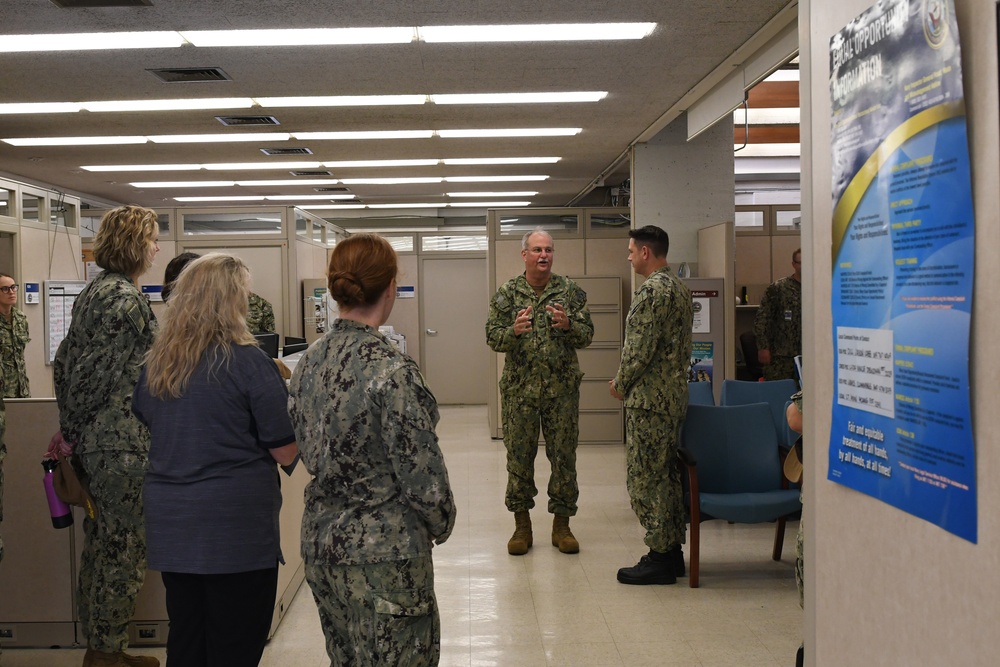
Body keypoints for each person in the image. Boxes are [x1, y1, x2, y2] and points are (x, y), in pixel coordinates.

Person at [287, 233, 455, 667]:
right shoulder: (391, 370)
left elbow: (303, 443)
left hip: (323, 549)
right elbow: (422, 474)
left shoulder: (309, 361)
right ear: (389, 287)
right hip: (386, 557)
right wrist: (441, 522)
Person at [132, 253, 297, 667]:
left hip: (173, 524)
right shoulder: (248, 362)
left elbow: (150, 419)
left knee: (187, 636)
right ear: (231, 301)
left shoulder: (157, 363)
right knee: (235, 642)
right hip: (233, 530)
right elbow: (285, 448)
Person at [50, 204, 160, 667]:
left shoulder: (97, 292)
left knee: (102, 545)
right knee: (123, 549)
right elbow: (91, 376)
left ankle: (103, 647)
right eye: (152, 239)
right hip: (119, 445)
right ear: (136, 243)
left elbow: (63, 362)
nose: (156, 248)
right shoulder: (124, 300)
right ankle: (106, 653)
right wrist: (70, 434)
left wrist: (71, 430)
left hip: (102, 442)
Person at [486, 228, 594, 555]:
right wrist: (513, 332)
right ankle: (522, 526)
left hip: (561, 392)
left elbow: (587, 334)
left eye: (548, 249)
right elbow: (492, 337)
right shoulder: (507, 294)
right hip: (520, 393)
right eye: (536, 250)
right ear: (524, 255)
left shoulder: (569, 292)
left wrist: (569, 326)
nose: (543, 255)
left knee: (564, 458)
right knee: (519, 459)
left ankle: (562, 526)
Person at [610, 225, 693, 585]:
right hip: (672, 398)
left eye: (631, 251)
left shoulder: (652, 292)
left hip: (649, 401)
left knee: (646, 479)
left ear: (646, 252)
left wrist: (620, 383)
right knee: (667, 478)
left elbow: (638, 350)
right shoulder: (678, 288)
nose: (628, 257)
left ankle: (660, 556)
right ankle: (671, 552)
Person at [754, 248, 802, 382]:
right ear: (793, 264)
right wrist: (763, 347)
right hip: (781, 355)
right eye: (800, 263)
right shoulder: (779, 288)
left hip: (810, 354)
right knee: (778, 395)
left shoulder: (819, 287)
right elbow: (763, 319)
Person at [0, 273, 30, 398]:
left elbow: (20, 356)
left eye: (13, 287)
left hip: (20, 390)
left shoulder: (21, 318)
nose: (11, 292)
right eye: (5, 289)